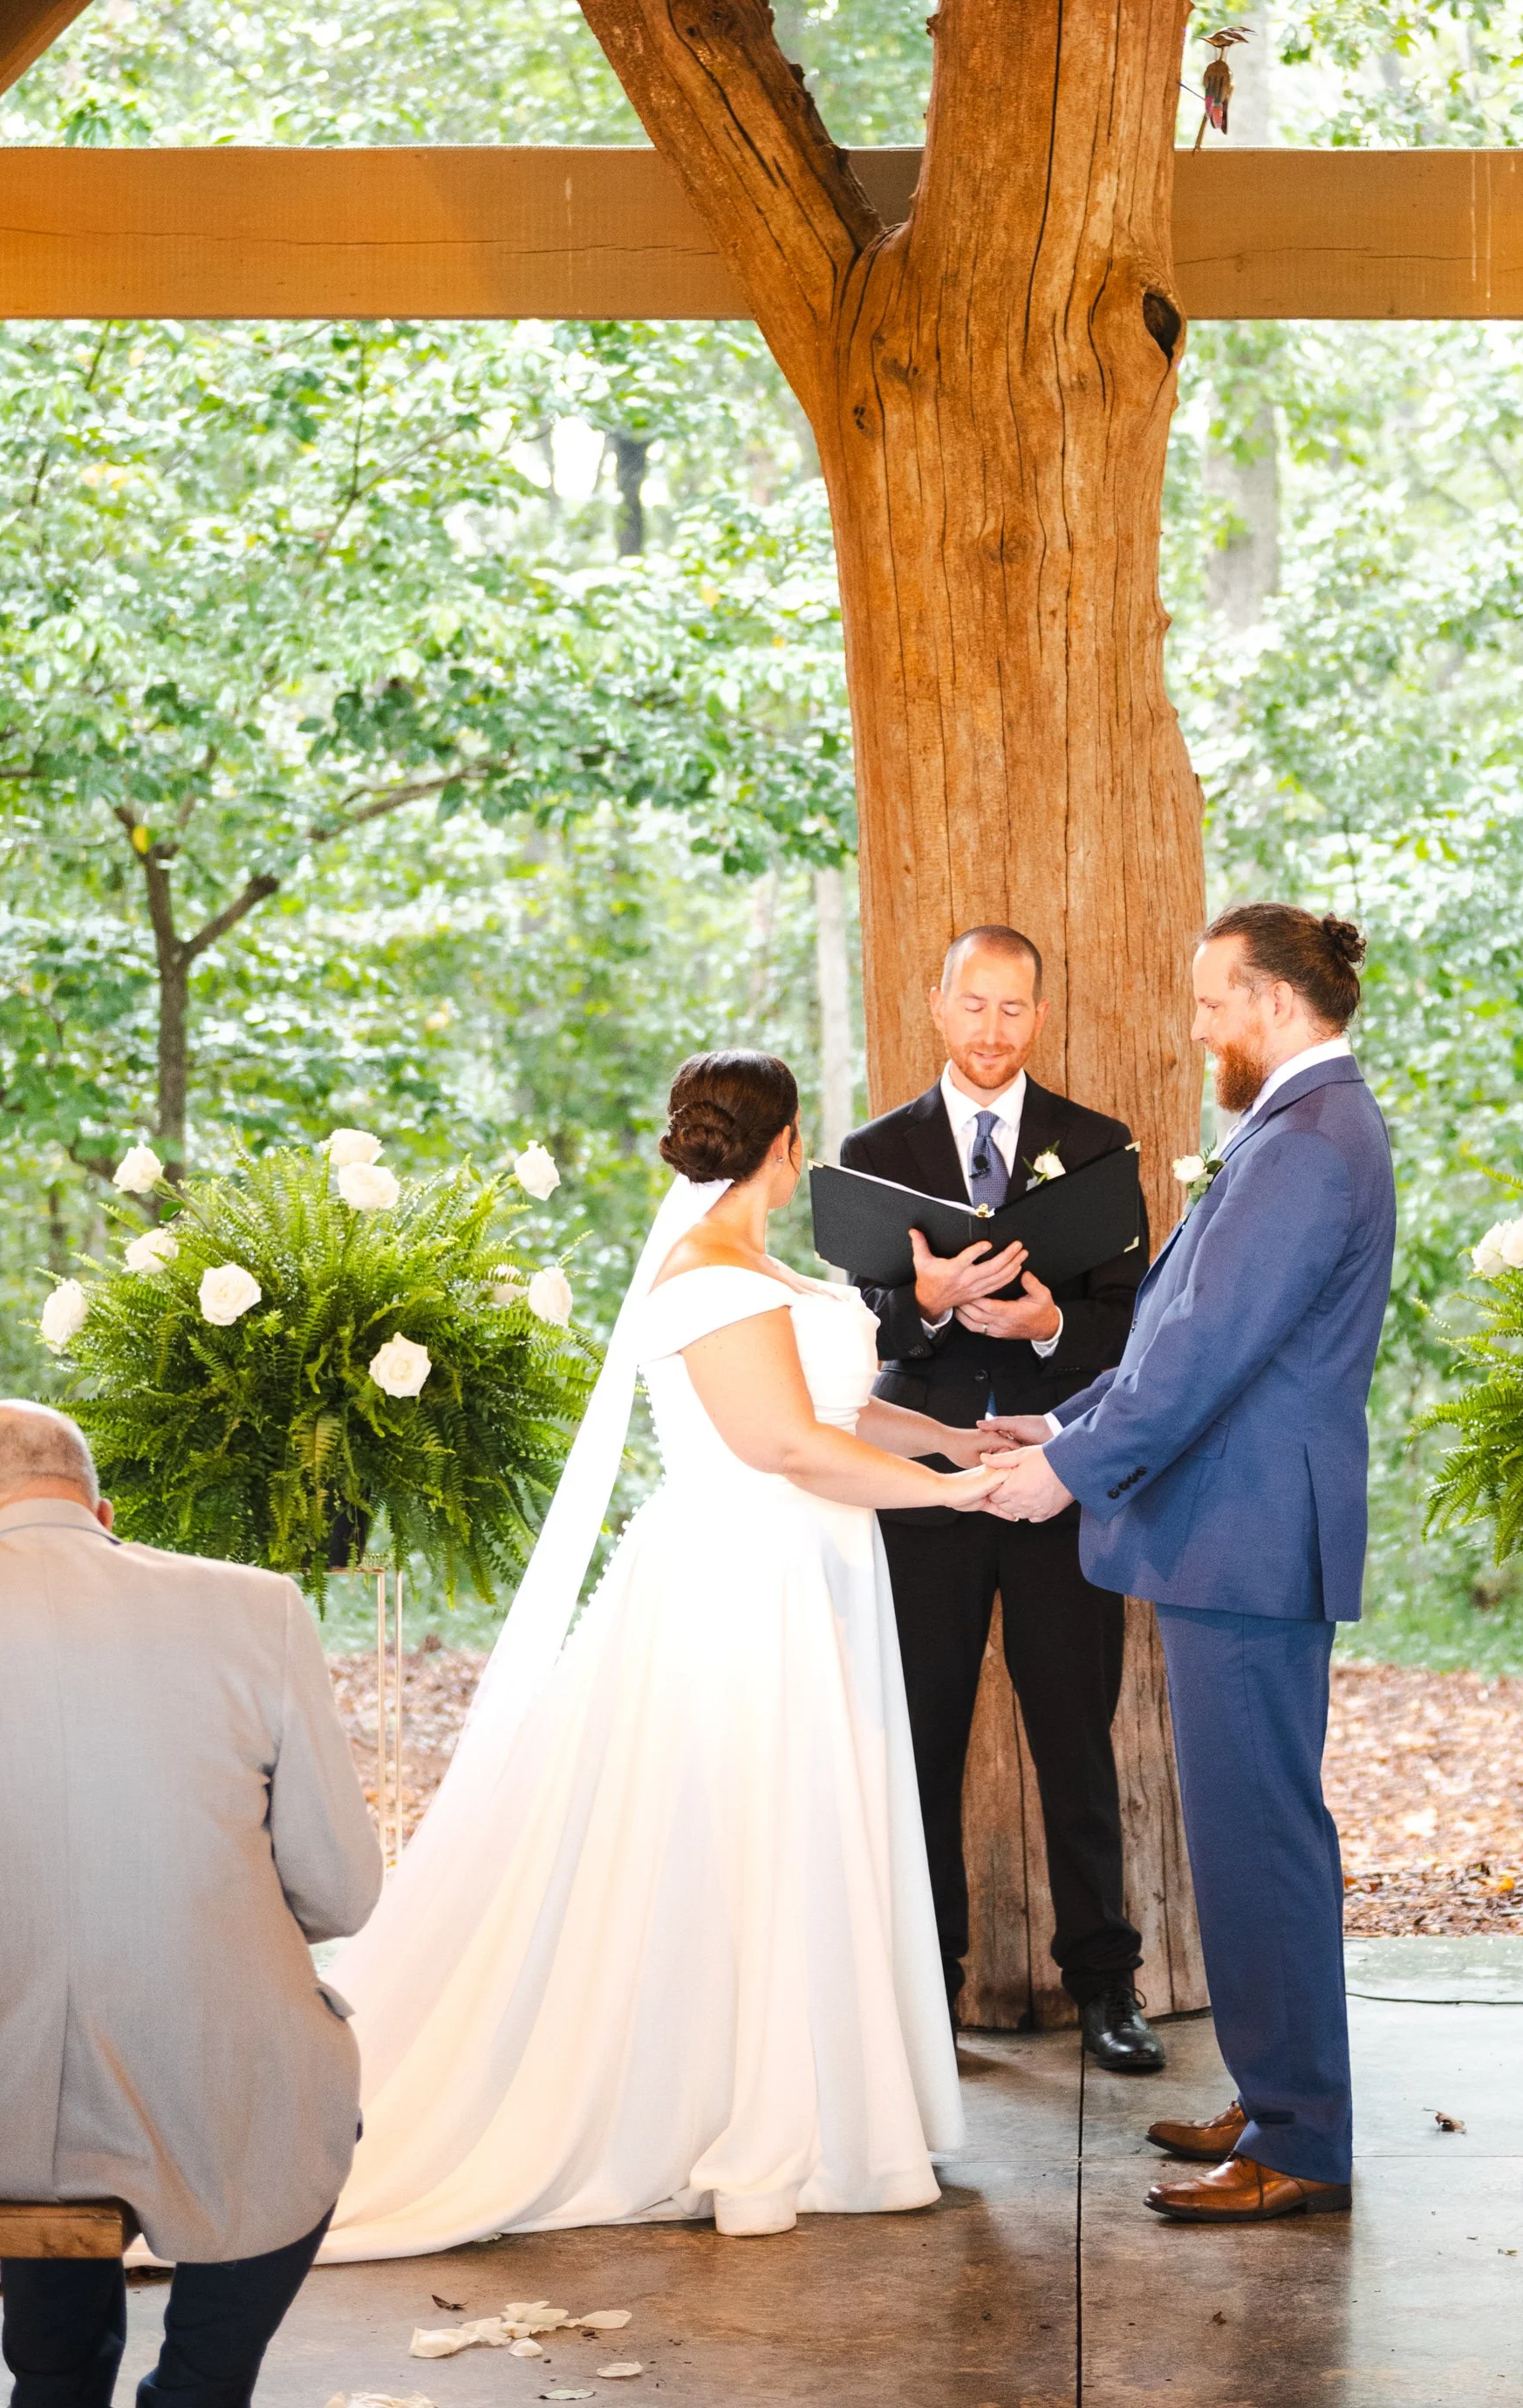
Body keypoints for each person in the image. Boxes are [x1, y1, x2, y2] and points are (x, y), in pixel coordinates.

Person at [318, 1049, 995, 2255]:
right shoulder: (702, 1280)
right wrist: (956, 1498)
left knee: (803, 1827)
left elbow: (838, 1409)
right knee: (750, 1833)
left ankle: (827, 2103)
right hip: (744, 1585)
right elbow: (784, 1445)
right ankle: (748, 2113)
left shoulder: (768, 1270)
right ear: (788, 1143)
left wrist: (953, 1440)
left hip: (813, 1577)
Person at [981, 905, 1393, 2223]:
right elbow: (1180, 1337)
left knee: (1260, 1840)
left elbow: (1207, 1354)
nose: (1202, 1022)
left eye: (1216, 999)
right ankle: (1278, 2100)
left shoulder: (1308, 1143)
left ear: (1274, 1001)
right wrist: (1063, 1425)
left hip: (1250, 1539)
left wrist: (1069, 1474)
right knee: (1248, 1833)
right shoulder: (1295, 1128)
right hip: (1238, 1533)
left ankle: (1301, 2141)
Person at [0, 1397, 381, 2408]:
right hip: (220, 2079)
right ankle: (201, 2385)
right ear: (101, 1512)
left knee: (37, 2083)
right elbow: (340, 1890)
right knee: (286, 2093)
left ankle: (53, 2381)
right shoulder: (256, 1606)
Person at [839, 925, 1162, 2073]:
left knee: (1074, 1731)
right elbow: (864, 1325)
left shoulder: (1098, 1146)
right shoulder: (875, 1152)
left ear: (1040, 1015)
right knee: (919, 1735)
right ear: (938, 1006)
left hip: (1055, 1473)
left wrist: (1050, 1322)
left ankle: (1105, 1987)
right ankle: (929, 1983)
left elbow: (1132, 1322)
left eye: (1013, 1009)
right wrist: (927, 1302)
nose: (992, 1030)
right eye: (973, 1006)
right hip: (921, 1481)